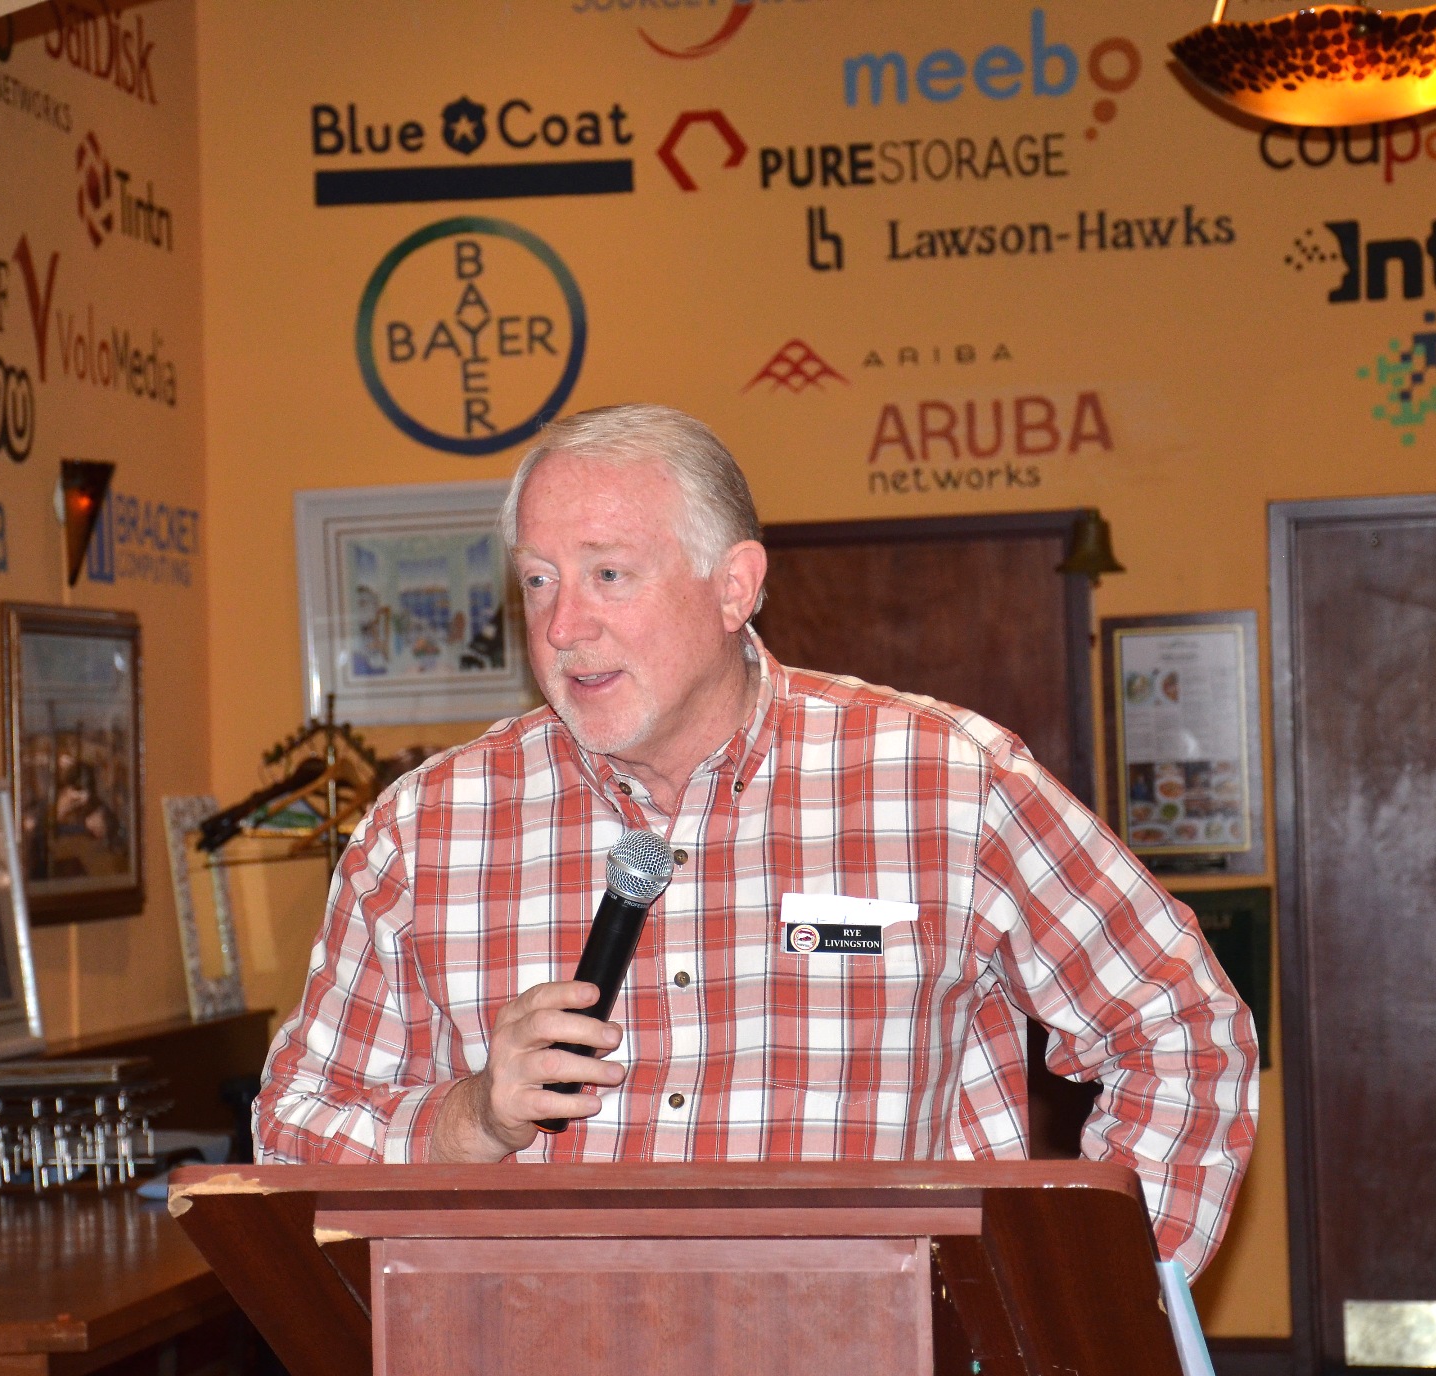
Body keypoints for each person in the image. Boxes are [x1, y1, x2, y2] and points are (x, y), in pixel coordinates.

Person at [256, 403, 1259, 1275]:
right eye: (539, 580)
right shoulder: (427, 828)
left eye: (609, 574)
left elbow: (1181, 1028)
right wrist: (469, 1118)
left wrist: (1081, 1302)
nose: (562, 627)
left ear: (734, 586)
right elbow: (293, 1131)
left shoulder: (947, 780)